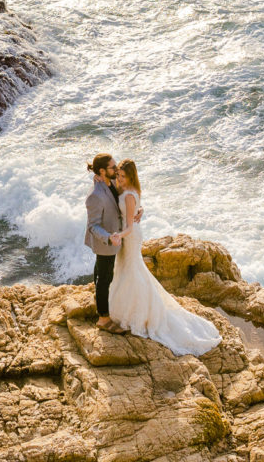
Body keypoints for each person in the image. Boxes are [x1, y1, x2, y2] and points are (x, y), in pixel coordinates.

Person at [108, 159, 222, 356]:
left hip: (130, 235)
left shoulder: (127, 195)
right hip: (133, 232)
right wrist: (138, 211)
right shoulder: (132, 190)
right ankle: (132, 307)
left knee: (132, 271)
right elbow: (135, 209)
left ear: (131, 176)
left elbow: (128, 225)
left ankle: (137, 312)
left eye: (123, 176)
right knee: (132, 270)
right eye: (118, 175)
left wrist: (118, 235)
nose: (119, 178)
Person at [84, 152, 142, 333]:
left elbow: (127, 200)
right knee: (105, 278)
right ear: (102, 171)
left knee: (102, 273)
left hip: (117, 237)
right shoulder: (95, 194)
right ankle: (103, 318)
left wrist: (140, 209)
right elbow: (93, 226)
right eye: (113, 167)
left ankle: (99, 303)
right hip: (106, 241)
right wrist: (109, 237)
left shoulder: (112, 183)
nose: (116, 170)